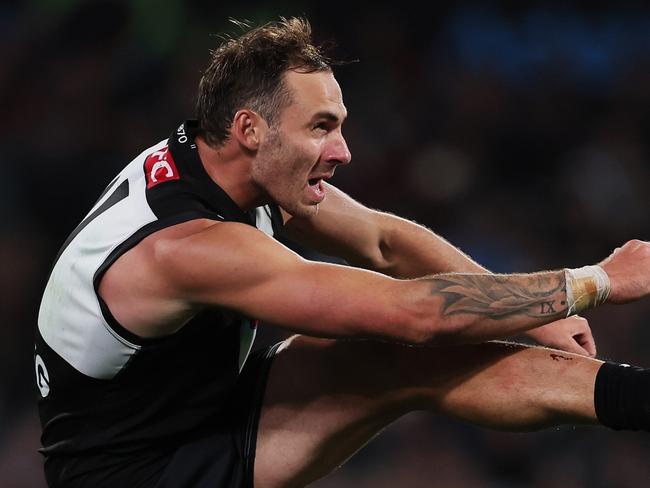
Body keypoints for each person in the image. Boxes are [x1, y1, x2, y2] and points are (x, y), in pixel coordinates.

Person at [35, 16, 650, 488]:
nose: (343, 151)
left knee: (394, 357)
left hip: (195, 401)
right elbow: (415, 314)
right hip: (152, 469)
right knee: (401, 352)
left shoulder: (224, 163)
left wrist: (546, 315)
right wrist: (595, 281)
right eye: (321, 127)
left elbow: (384, 241)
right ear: (251, 129)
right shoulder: (186, 247)